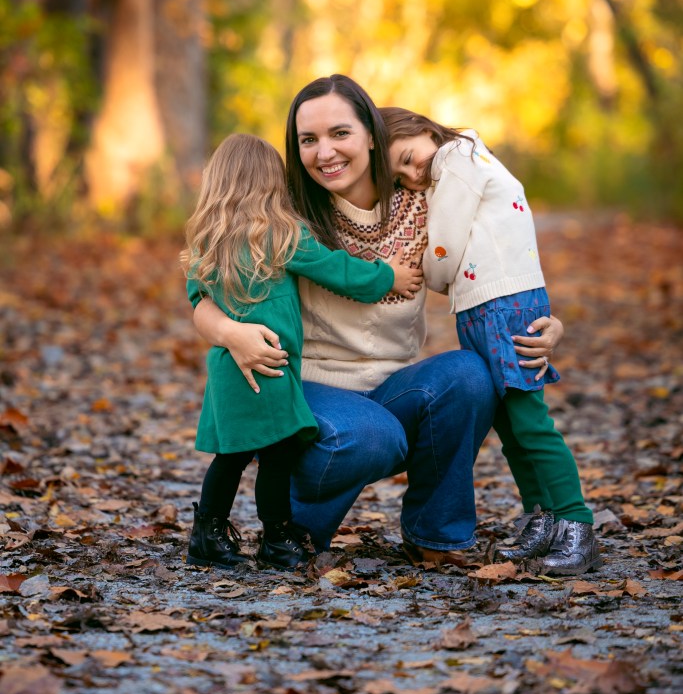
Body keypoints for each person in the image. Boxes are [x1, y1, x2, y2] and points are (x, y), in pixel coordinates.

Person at [192, 76, 564, 566]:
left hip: (394, 386)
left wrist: (543, 318)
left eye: (339, 133)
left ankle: (435, 535)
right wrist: (229, 333)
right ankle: (291, 526)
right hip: (309, 390)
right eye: (309, 140)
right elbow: (203, 290)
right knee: (372, 434)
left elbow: (499, 257)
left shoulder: (426, 201)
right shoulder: (284, 210)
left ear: (371, 133)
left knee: (469, 377)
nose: (325, 152)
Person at [181, 132, 423, 571]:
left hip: (229, 365)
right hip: (271, 365)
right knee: (277, 454)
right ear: (273, 183)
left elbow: (197, 297)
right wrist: (388, 277)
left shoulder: (209, 241)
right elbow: (340, 272)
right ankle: (275, 537)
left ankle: (208, 534)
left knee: (232, 455)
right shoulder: (284, 234)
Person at [381, 106, 601, 576]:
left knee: (529, 421)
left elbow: (444, 247)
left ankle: (578, 524)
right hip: (482, 307)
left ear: (425, 130)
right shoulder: (449, 169)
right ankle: (542, 517)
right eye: (399, 175)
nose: (410, 173)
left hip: (502, 305)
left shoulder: (458, 157)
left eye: (407, 157)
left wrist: (430, 274)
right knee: (509, 424)